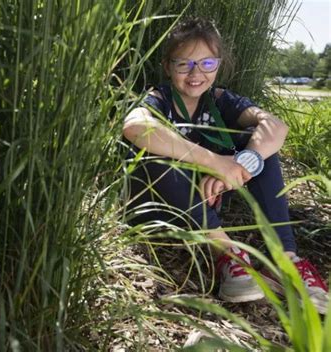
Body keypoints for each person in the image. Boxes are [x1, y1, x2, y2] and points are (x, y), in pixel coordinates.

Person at [122, 17, 328, 313]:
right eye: (184, 64)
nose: (196, 74)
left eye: (207, 64)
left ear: (218, 65)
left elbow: (275, 126)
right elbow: (135, 127)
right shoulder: (160, 99)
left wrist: (242, 164)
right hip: (163, 205)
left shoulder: (219, 100)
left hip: (209, 199)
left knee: (259, 147)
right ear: (168, 66)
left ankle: (284, 261)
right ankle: (227, 252)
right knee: (154, 152)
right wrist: (215, 162)